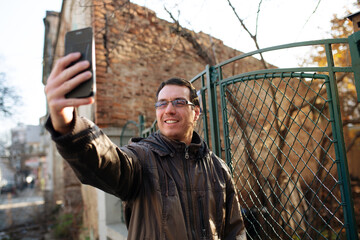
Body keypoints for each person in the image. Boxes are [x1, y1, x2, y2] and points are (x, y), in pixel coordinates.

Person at [45, 52, 246, 239]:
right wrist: (67, 124)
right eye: (162, 103)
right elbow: (108, 161)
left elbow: (235, 232)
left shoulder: (219, 169)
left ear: (196, 112)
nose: (169, 109)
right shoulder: (141, 158)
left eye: (179, 102)